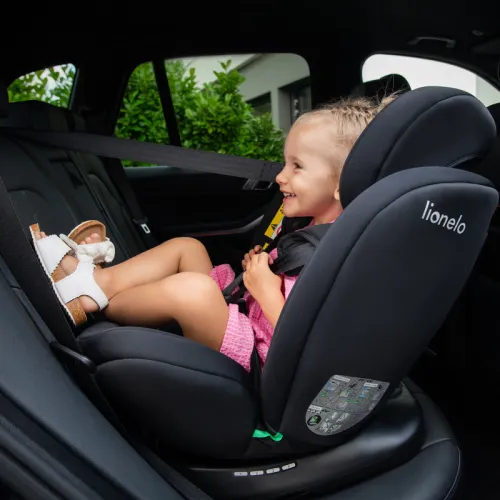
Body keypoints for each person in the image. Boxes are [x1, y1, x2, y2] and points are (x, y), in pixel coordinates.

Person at [31, 95, 395, 372]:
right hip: (250, 317)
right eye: (285, 162)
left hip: (260, 360)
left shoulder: (342, 256)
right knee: (187, 247)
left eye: (297, 166)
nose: (281, 176)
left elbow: (314, 345)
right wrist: (262, 269)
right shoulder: (310, 226)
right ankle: (99, 283)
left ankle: (95, 301)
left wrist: (266, 291)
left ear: (343, 183)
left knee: (195, 290)